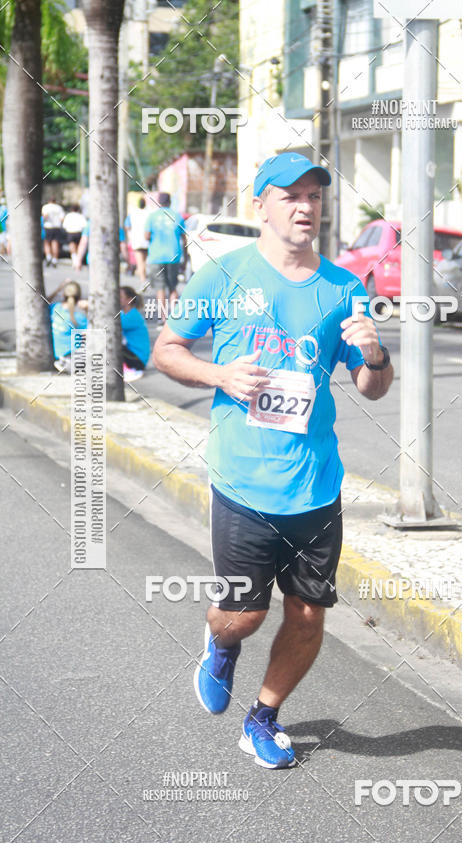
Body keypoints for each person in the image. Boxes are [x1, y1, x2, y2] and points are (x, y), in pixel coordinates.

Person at [153, 152, 393, 769]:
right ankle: (220, 642)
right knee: (244, 613)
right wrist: (218, 374)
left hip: (315, 485)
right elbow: (166, 350)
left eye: (314, 195)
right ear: (260, 204)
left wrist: (375, 358)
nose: (306, 206)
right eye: (290, 195)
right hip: (243, 479)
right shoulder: (223, 275)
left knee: (309, 613)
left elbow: (372, 389)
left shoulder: (345, 289)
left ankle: (263, 718)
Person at [144, 192, 186, 319]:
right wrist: (185, 257)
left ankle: (163, 318)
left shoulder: (152, 217)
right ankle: (175, 317)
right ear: (170, 202)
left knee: (160, 288)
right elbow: (184, 238)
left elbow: (146, 236)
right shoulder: (177, 216)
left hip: (156, 257)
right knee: (173, 287)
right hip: (173, 256)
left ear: (158, 202)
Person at [50, 280, 87, 372]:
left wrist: (58, 289)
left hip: (58, 355)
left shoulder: (54, 308)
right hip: (72, 356)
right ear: (79, 297)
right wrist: (88, 309)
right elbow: (97, 329)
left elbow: (44, 301)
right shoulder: (79, 317)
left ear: (63, 295)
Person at [119, 285, 150, 382]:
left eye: (120, 297)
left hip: (138, 359)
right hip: (133, 354)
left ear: (129, 300)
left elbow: (110, 326)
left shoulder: (132, 316)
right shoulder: (124, 314)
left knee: (110, 346)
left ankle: (128, 370)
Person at [124, 197, 149, 281]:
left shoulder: (132, 214)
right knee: (144, 260)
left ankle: (143, 278)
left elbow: (127, 226)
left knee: (139, 261)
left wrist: (130, 235)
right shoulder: (148, 214)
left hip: (136, 240)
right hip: (147, 240)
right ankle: (143, 275)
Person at [42, 196, 65, 267]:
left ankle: (48, 256)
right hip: (56, 227)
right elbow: (62, 219)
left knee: (47, 243)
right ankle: (55, 259)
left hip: (48, 226)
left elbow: (45, 216)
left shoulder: (46, 207)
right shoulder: (59, 208)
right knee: (55, 243)